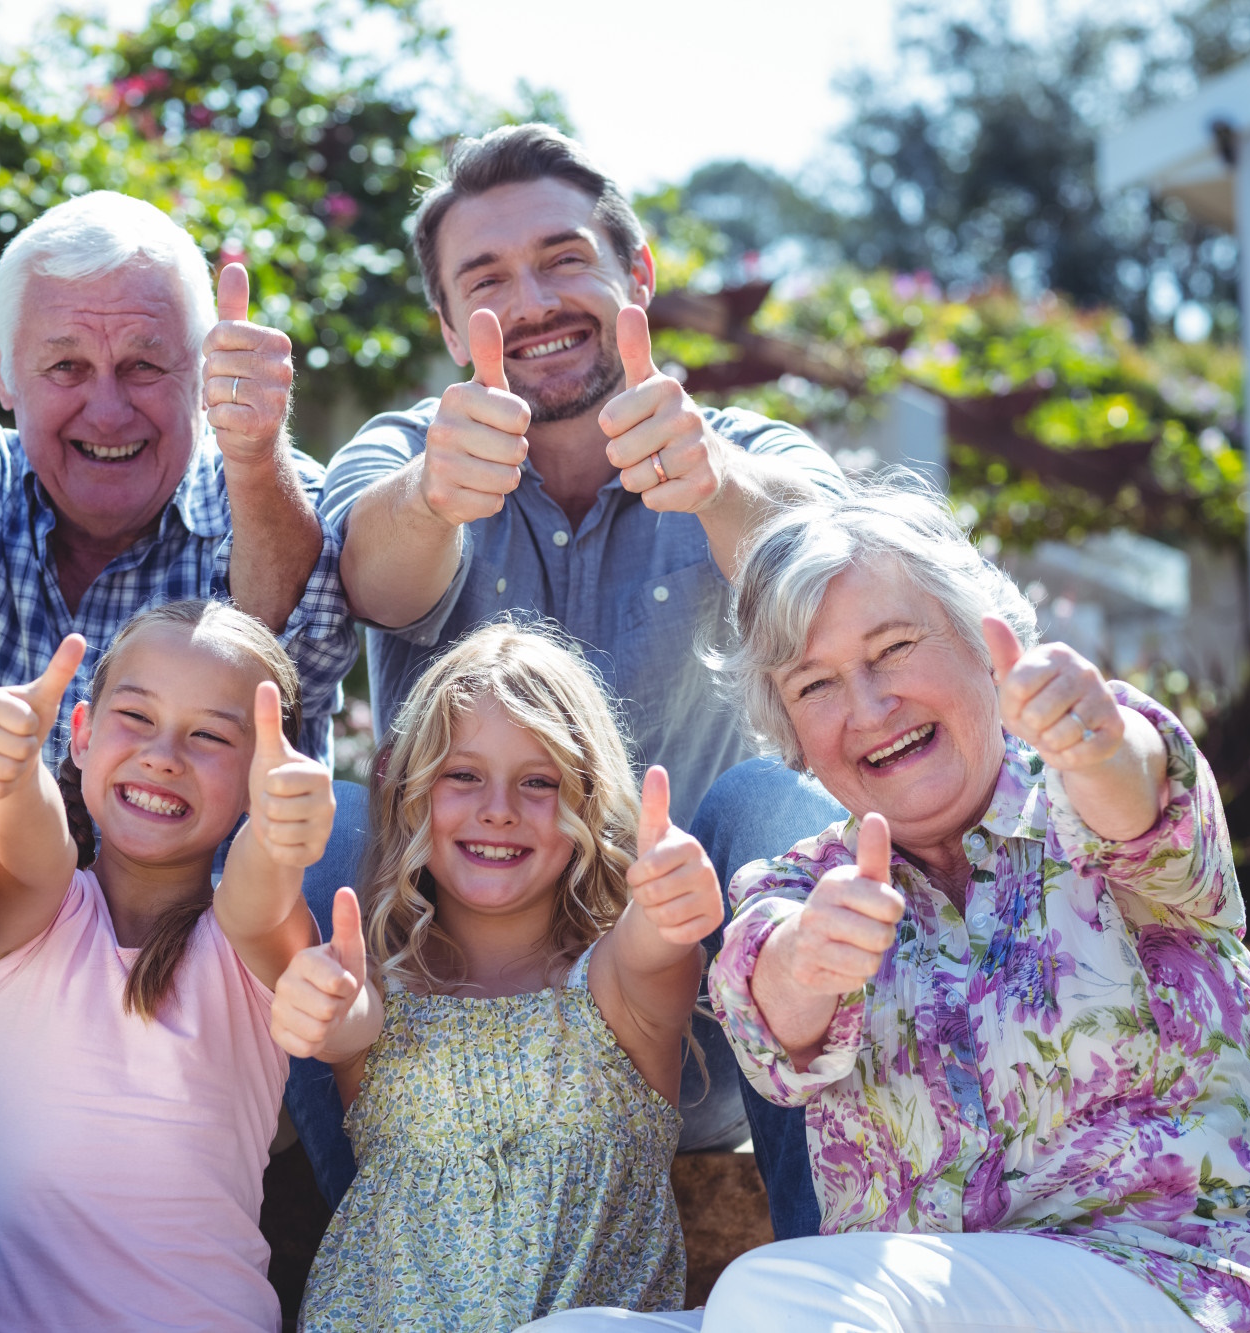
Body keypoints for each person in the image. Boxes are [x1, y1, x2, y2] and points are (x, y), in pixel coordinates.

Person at [316, 121, 845, 1226]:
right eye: (488, 278)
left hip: (705, 1032)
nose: (536, 298)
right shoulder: (405, 449)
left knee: (770, 804)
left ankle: (829, 1261)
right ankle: (365, 1252)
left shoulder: (744, 448)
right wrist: (432, 496)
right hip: (447, 1039)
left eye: (563, 259)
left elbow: (838, 572)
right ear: (450, 323)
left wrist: (718, 489)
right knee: (317, 823)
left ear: (633, 273)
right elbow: (368, 575)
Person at [690, 482, 1250, 1332]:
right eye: (815, 685)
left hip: (1181, 1284)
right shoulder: (805, 885)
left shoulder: (1084, 796)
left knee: (775, 1294)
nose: (869, 709)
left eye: (894, 648)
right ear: (787, 725)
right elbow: (770, 1006)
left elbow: (1139, 790)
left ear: (980, 639)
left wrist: (1099, 745)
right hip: (917, 1309)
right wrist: (808, 958)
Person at [0, 193, 364, 1203]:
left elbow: (294, 656)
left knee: (345, 828)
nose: (105, 409)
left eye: (144, 365)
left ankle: (346, 1229)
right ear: (3, 371)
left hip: (199, 1036)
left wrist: (253, 450)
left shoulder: (266, 488)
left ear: (201, 372)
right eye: (64, 368)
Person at [275, 623, 721, 1330]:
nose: (499, 808)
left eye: (538, 781)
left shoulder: (614, 990)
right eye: (464, 775)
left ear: (587, 800)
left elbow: (652, 949)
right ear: (411, 792)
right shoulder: (383, 992)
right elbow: (348, 1020)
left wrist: (671, 904)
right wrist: (322, 1004)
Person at [0, 599, 333, 1332]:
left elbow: (262, 882)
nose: (164, 755)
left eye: (211, 736)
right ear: (84, 735)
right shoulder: (40, 909)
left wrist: (285, 835)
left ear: (262, 779)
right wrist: (10, 764)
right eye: (137, 718)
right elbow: (29, 832)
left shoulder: (246, 936)